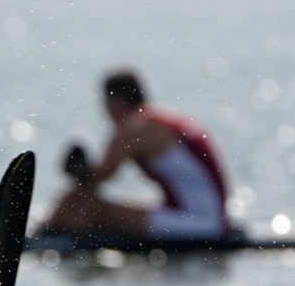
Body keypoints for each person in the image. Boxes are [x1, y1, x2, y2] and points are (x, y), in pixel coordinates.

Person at [44, 69, 232, 240]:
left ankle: (48, 236)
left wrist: (76, 171)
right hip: (210, 218)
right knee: (87, 202)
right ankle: (52, 230)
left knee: (88, 205)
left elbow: (95, 179)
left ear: (115, 102)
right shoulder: (161, 118)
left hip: (201, 225)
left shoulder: (134, 128)